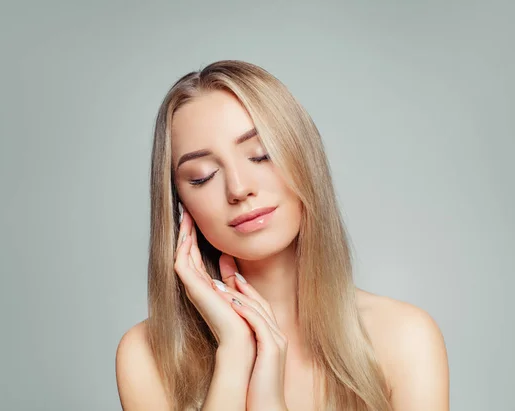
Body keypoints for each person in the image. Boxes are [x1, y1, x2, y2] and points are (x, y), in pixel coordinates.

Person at [115, 60, 449, 411]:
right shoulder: (147, 354)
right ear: (180, 204)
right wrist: (235, 352)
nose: (239, 189)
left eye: (261, 155)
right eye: (202, 176)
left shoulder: (405, 337)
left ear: (305, 159)